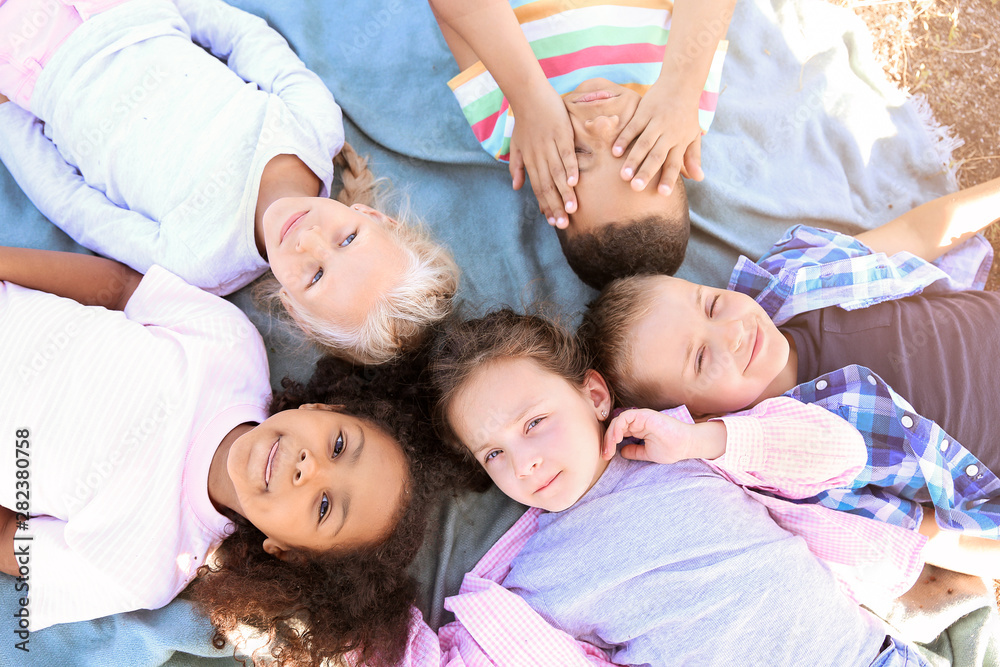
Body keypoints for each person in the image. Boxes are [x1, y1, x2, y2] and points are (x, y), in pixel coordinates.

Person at [0, 247, 459, 666]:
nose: (309, 467)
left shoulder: (150, 568)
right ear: (323, 409)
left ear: (286, 552)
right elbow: (120, 288)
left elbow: (10, 538)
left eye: (324, 507)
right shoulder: (232, 348)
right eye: (338, 445)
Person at [426, 308, 930, 666]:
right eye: (493, 453)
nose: (524, 462)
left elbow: (841, 452)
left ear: (595, 396)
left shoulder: (677, 444)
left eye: (534, 422)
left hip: (860, 655)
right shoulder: (532, 580)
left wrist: (702, 439)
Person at [581, 176, 1000, 577]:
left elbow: (917, 232)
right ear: (696, 416)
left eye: (710, 305)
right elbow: (923, 535)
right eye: (702, 358)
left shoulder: (793, 279)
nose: (734, 332)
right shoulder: (803, 469)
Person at [0, 0, 457, 364]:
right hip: (130, 13)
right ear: (372, 215)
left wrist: (7, 119)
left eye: (316, 276)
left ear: (296, 312)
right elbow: (245, 37)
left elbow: (74, 207)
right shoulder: (315, 129)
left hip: (37, 70)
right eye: (348, 238)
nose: (309, 241)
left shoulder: (200, 263)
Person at [429, 0, 730, 288]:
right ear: (677, 154)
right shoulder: (684, 112)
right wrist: (682, 85)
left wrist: (528, 98)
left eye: (576, 151)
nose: (601, 126)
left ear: (547, 182)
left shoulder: (512, 128)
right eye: (635, 142)